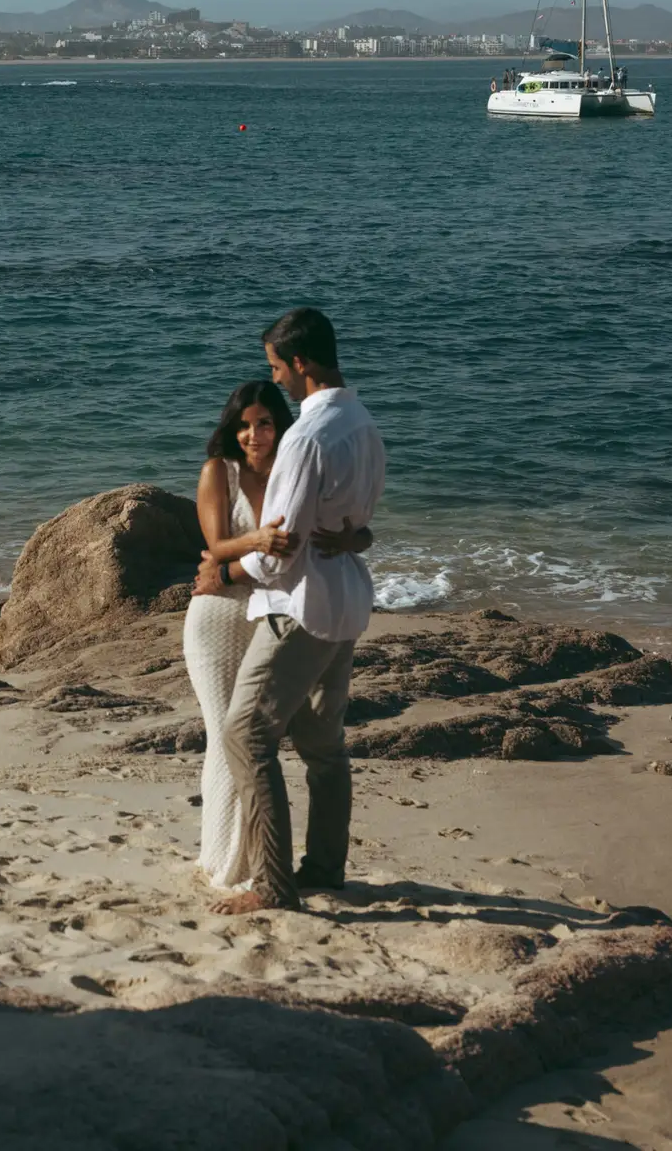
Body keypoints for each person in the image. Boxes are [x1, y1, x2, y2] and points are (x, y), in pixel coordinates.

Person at [197, 307, 385, 915]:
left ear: (300, 363)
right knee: (323, 745)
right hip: (348, 601)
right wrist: (351, 537)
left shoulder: (306, 436)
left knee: (245, 732)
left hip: (298, 608)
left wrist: (226, 570)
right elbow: (356, 525)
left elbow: (280, 552)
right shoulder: (363, 424)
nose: (275, 378)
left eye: (277, 367)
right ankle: (326, 869)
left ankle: (275, 887)